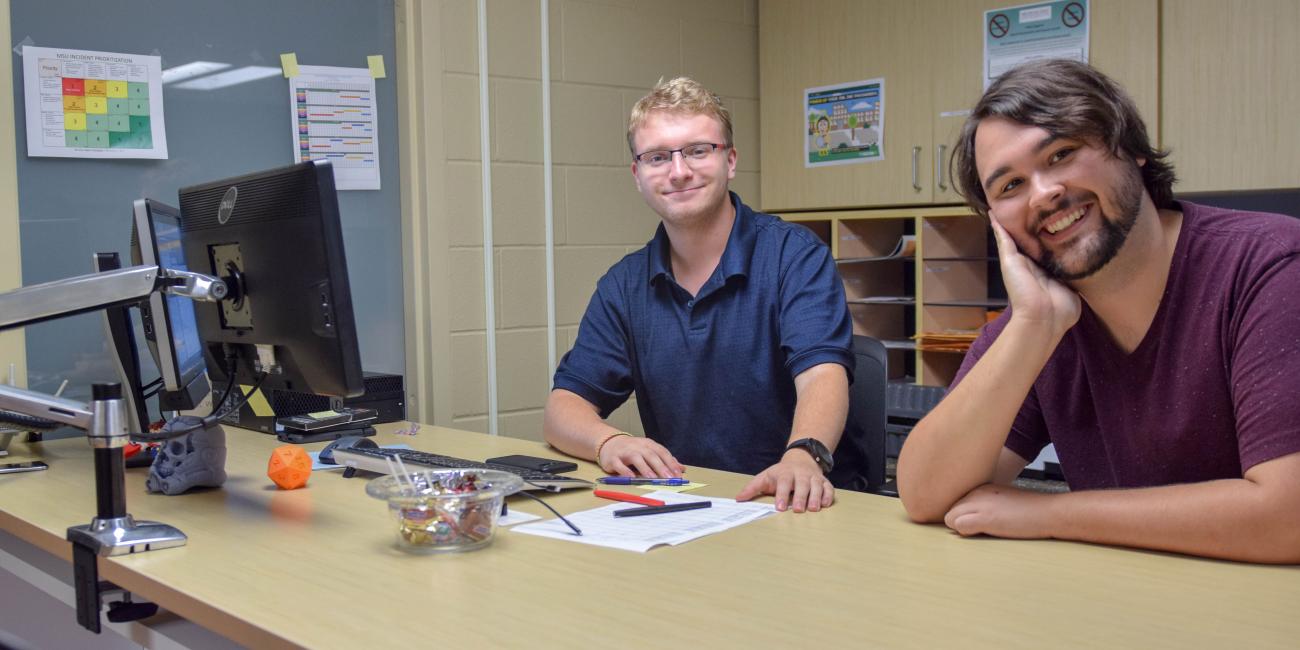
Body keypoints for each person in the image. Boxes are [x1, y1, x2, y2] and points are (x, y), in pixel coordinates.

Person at [896, 59, 1300, 563]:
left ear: (1129, 148)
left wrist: (1048, 514)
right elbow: (924, 493)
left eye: (1062, 154)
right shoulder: (1041, 317)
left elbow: (1288, 516)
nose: (1044, 194)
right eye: (1010, 187)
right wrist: (1033, 328)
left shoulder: (1269, 266)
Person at [543, 77, 857, 513]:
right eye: (657, 157)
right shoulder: (624, 284)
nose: (678, 171)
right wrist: (608, 441)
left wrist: (803, 457)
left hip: (794, 502)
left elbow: (822, 375)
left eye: (697, 150)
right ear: (637, 175)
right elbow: (563, 407)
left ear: (730, 160)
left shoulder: (793, 256)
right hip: (691, 505)